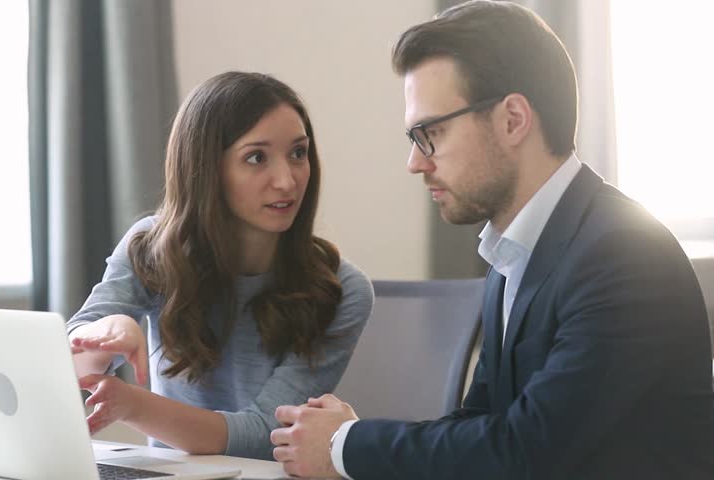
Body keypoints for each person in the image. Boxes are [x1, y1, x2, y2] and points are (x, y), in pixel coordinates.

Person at [270, 2, 714, 478]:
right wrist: (347, 441)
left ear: (513, 119)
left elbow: (524, 450)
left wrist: (345, 445)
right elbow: (480, 425)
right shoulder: (514, 253)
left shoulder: (624, 255)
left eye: (431, 133)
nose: (415, 163)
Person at [66, 71, 374, 461]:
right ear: (206, 169)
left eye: (298, 153)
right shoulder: (152, 246)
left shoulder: (343, 289)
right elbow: (74, 363)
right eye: (256, 157)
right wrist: (106, 331)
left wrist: (133, 406)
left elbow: (267, 433)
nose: (287, 181)